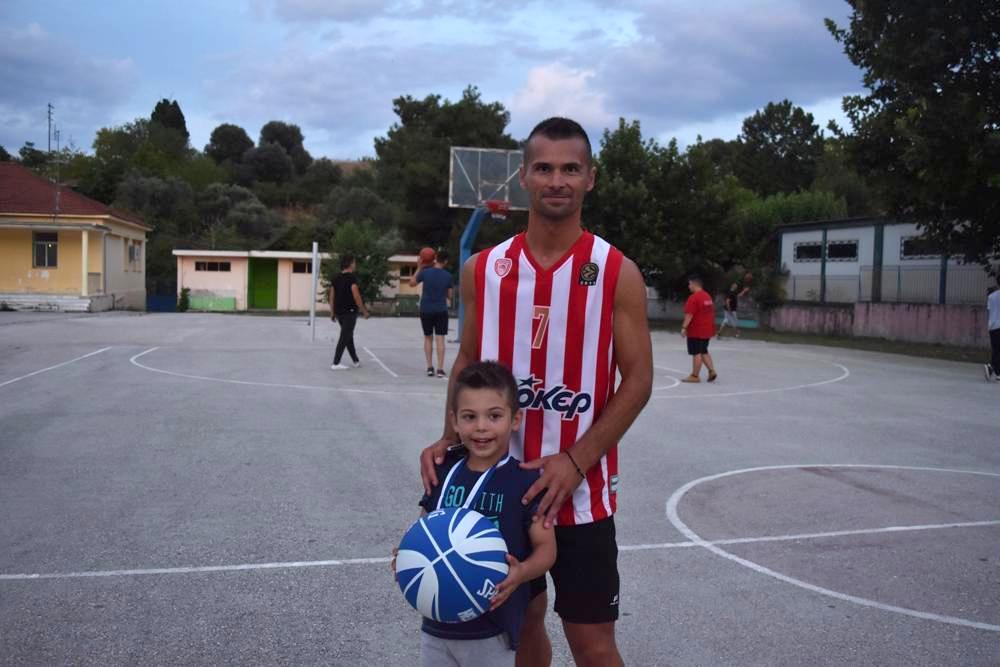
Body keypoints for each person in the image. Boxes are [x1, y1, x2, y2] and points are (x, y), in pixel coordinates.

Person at [419, 117, 653, 667]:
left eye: (570, 168)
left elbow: (638, 381)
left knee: (593, 644)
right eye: (544, 168)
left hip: (581, 494)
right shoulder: (484, 270)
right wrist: (448, 437)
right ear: (523, 177)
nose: (557, 180)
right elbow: (470, 362)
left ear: (590, 178)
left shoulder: (617, 272)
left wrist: (575, 460)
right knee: (522, 630)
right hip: (502, 491)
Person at [394, 361, 557, 666]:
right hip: (437, 623)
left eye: (494, 416)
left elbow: (547, 549)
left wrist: (521, 572)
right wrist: (409, 556)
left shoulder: (526, 482)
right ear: (454, 421)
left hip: (492, 628)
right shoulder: (442, 471)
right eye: (470, 417)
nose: (481, 427)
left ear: (515, 420)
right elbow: (424, 529)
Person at [410, 250, 454, 377]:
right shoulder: (448, 276)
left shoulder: (425, 272)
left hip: (426, 309)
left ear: (435, 258)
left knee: (428, 337)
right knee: (440, 338)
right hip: (441, 309)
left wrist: (419, 267)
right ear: (445, 261)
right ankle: (440, 369)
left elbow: (412, 283)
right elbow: (450, 296)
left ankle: (430, 367)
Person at [329, 254, 369, 370]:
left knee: (348, 336)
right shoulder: (352, 278)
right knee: (345, 336)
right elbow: (356, 296)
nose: (355, 265)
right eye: (354, 262)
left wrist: (332, 312)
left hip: (339, 313)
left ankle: (355, 360)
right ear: (350, 264)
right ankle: (336, 363)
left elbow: (331, 296)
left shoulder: (335, 278)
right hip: (349, 312)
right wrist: (364, 311)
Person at [681, 274, 717, 383]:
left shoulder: (694, 298)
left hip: (696, 330)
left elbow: (689, 314)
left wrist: (684, 327)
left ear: (693, 284)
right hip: (707, 329)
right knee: (703, 351)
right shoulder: (707, 296)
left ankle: (695, 376)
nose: (688, 286)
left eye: (689, 284)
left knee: (696, 352)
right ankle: (712, 371)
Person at [986, 279, 1000, 381]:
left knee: (996, 349)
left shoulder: (991, 296)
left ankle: (996, 371)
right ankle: (991, 366)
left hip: (992, 326)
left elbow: (989, 311)